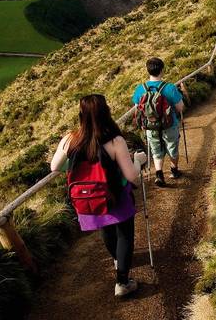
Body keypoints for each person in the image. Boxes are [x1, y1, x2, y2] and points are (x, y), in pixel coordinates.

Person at [51, 94, 147, 298]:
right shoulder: (115, 140)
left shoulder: (70, 139)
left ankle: (116, 260)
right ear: (106, 112)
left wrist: (79, 167)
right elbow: (131, 175)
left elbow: (54, 166)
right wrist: (138, 161)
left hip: (89, 198)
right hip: (115, 195)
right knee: (124, 234)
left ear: (81, 115)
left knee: (107, 228)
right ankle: (122, 282)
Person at [131, 57, 185, 187]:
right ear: (162, 70)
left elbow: (137, 108)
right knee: (172, 148)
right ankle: (174, 170)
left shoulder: (140, 89)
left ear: (148, 71)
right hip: (169, 124)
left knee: (156, 151)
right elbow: (180, 108)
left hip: (150, 126)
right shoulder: (170, 88)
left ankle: (159, 174)